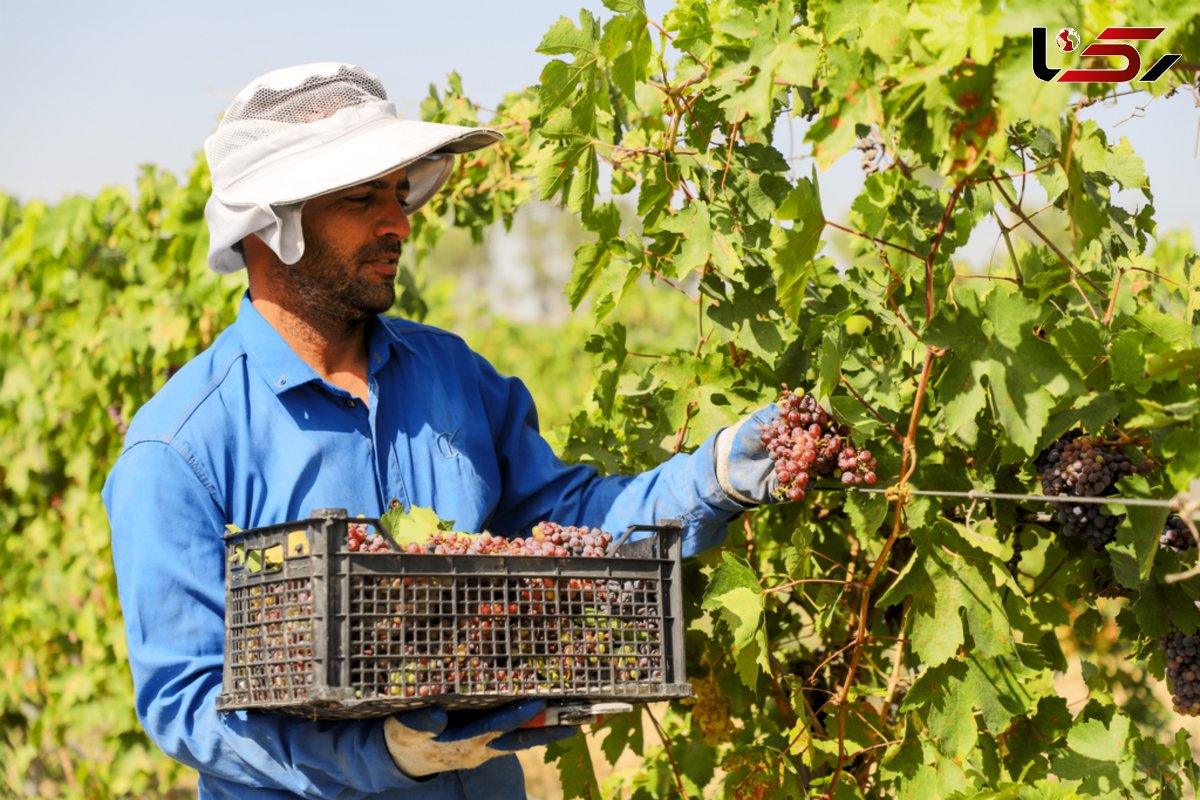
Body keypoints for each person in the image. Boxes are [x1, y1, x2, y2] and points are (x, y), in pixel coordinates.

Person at [102, 62, 783, 800]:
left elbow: (569, 530)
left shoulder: (453, 375)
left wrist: (710, 477)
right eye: (363, 197)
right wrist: (380, 754)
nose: (397, 222)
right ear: (275, 224)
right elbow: (184, 702)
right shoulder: (180, 448)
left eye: (398, 194)